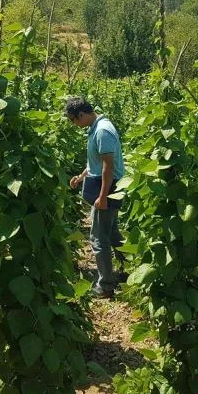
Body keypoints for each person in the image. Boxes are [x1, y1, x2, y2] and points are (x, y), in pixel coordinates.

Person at [65, 97, 126, 298]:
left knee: (99, 238)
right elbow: (97, 163)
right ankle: (125, 271)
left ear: (81, 114)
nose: (75, 125)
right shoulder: (96, 128)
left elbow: (108, 166)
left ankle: (106, 286)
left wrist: (102, 197)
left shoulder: (102, 131)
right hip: (103, 186)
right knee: (113, 234)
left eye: (74, 120)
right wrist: (81, 177)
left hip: (107, 188)